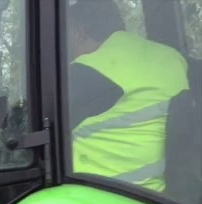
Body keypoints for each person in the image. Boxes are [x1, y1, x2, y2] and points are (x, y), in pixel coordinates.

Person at [66, 0, 189, 192]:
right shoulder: (174, 57)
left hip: (105, 200)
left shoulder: (85, 71)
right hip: (164, 199)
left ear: (78, 33)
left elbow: (31, 128)